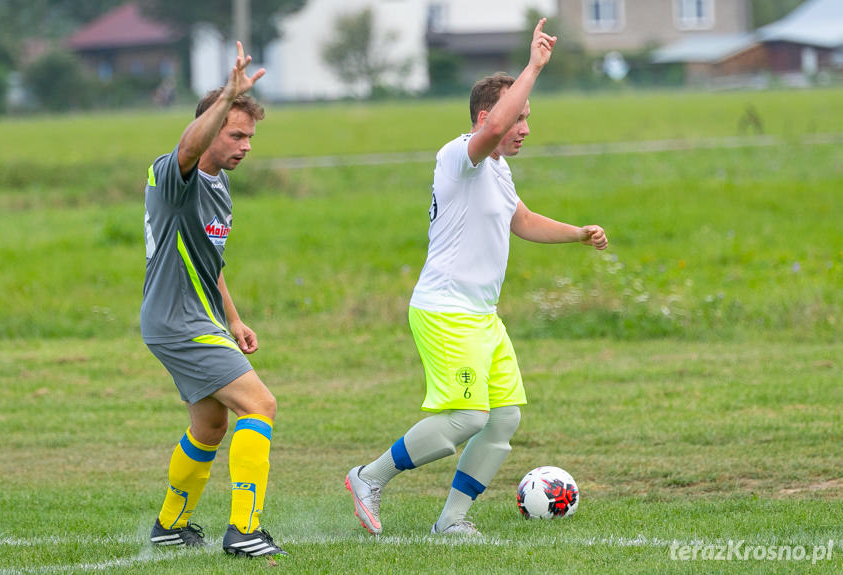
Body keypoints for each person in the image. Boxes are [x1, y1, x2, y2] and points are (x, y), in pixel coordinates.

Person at [345, 19, 608, 537]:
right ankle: (367, 477)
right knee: (466, 417)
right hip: (445, 310)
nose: (526, 128)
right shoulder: (458, 156)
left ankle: (452, 522)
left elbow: (522, 221)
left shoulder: (499, 170)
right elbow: (490, 133)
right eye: (520, 118)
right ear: (489, 117)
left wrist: (578, 233)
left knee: (503, 418)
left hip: (482, 317)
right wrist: (533, 66)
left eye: (529, 118)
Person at [141, 42, 287, 559]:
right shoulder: (173, 177)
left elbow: (210, 260)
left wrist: (233, 316)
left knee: (210, 425)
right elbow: (185, 147)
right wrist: (228, 94)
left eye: (250, 136)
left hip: (197, 316)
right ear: (211, 127)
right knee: (260, 404)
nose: (246, 145)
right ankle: (244, 531)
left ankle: (169, 525)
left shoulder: (220, 184)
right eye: (235, 133)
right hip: (177, 320)